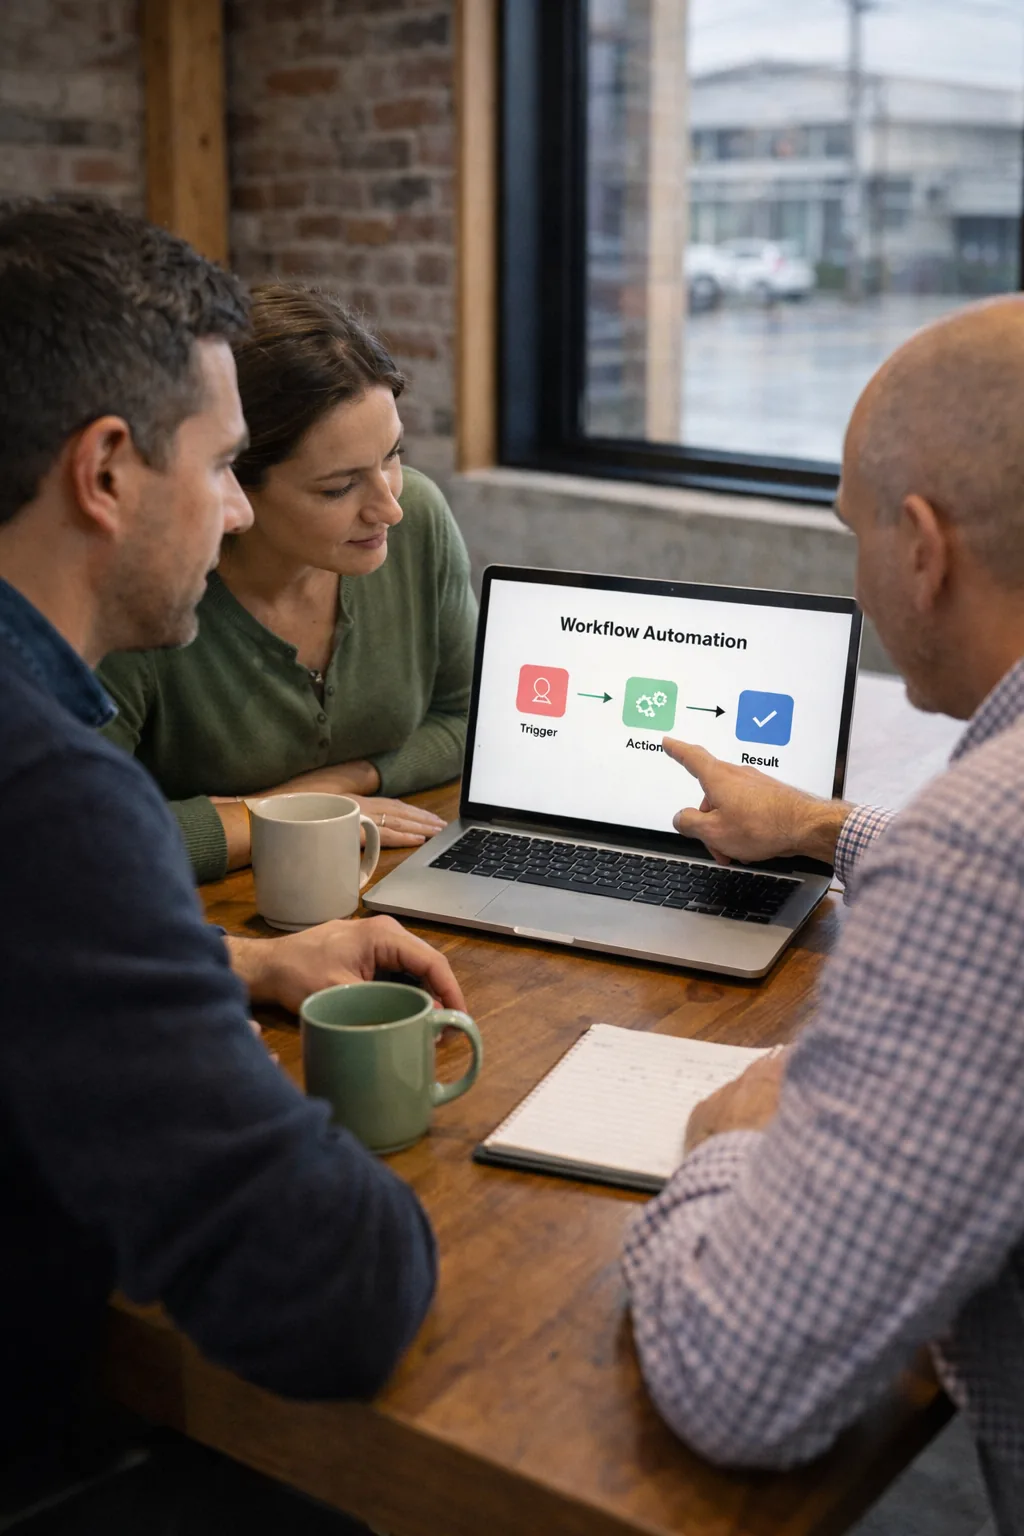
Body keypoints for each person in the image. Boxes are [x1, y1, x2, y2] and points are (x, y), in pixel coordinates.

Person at [0, 198, 463, 1505]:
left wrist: (225, 964)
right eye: (220, 468)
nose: (232, 515)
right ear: (103, 472)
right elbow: (332, 1292)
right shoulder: (48, 792)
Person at [622, 296, 1024, 1532]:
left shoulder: (986, 848)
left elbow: (739, 1382)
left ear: (919, 545)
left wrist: (724, 1141)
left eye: (852, 532)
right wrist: (816, 826)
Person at [98, 283, 477, 883]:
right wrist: (282, 814)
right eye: (338, 487)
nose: (389, 507)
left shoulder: (421, 518)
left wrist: (339, 785)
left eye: (391, 456)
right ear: (233, 484)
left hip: (379, 871)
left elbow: (467, 720)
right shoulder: (144, 593)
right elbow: (76, 837)